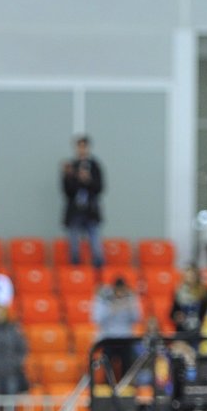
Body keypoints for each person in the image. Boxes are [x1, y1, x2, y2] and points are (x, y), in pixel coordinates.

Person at [62, 135, 105, 270]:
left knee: (95, 244)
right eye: (79, 147)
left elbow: (100, 188)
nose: (81, 149)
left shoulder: (95, 166)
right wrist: (70, 177)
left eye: (84, 146)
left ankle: (98, 272)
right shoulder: (71, 166)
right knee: (74, 245)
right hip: (75, 210)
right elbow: (66, 192)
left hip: (90, 210)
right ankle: (75, 273)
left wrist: (88, 180)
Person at [92, 276, 143, 382]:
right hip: (108, 338)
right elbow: (96, 319)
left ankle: (127, 387)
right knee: (107, 367)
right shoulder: (104, 298)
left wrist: (130, 306)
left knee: (127, 366)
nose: (120, 294)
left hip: (126, 338)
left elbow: (138, 318)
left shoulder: (130, 298)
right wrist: (112, 308)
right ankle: (107, 387)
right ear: (114, 289)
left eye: (122, 291)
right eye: (118, 291)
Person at [169, 264, 207, 348]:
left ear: (197, 277)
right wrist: (177, 316)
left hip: (201, 331)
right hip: (183, 331)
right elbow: (172, 312)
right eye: (188, 276)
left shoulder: (205, 292)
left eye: (192, 276)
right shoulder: (179, 292)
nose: (190, 279)